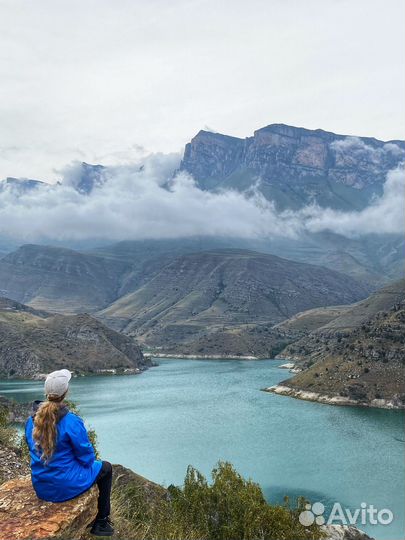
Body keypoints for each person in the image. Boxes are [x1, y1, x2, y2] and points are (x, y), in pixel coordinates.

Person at [25, 369, 114, 537]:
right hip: (65, 487)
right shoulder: (71, 421)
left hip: (41, 487)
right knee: (106, 468)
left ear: (46, 392)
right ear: (66, 392)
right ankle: (101, 522)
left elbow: (33, 450)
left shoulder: (31, 421)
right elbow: (86, 457)